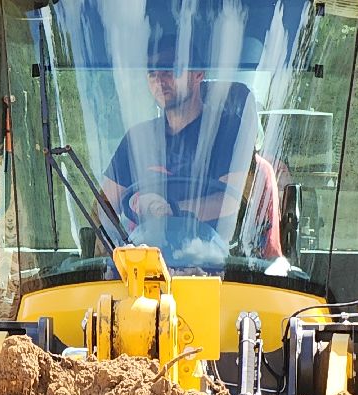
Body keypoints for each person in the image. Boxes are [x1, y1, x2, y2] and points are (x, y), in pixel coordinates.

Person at [100, 34, 266, 262]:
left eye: (170, 70)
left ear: (198, 74)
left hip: (217, 266)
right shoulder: (137, 139)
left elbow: (233, 201)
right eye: (152, 73)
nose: (159, 80)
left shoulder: (229, 131)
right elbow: (103, 206)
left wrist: (173, 211)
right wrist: (110, 249)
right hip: (143, 267)